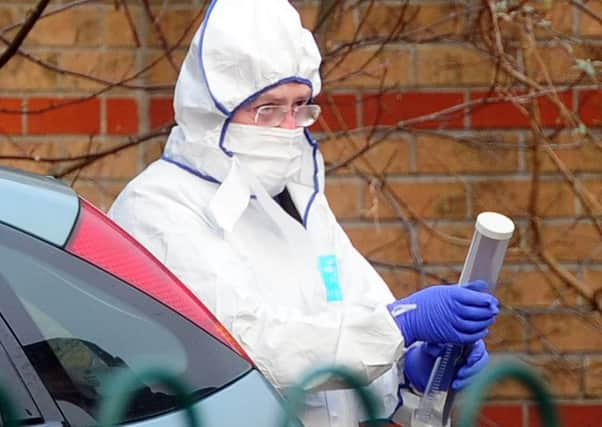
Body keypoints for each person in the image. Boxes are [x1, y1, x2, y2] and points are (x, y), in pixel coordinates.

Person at [108, 0, 499, 425]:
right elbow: (242, 347)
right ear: (212, 110)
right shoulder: (158, 208)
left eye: (300, 106)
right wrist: (399, 326)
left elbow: (355, 331)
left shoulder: (297, 205)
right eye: (268, 109)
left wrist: (414, 371)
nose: (289, 128)